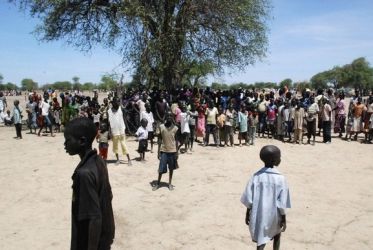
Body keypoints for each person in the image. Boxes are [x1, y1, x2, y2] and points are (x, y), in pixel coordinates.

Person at [64, 117, 115, 250]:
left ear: (81, 141)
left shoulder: (84, 174)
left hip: (89, 242)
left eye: (68, 140)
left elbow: (94, 218)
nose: (65, 144)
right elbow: (108, 196)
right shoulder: (99, 161)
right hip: (103, 239)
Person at [241, 145, 291, 250]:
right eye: (279, 157)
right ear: (274, 160)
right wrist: (284, 217)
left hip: (259, 214)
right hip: (274, 215)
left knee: (261, 238)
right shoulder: (281, 179)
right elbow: (281, 203)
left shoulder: (256, 177)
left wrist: (247, 213)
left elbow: (249, 198)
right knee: (277, 234)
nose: (280, 159)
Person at [153, 115, 178, 191]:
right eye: (168, 116)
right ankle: (158, 183)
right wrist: (158, 152)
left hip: (172, 151)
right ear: (165, 118)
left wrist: (177, 152)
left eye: (171, 116)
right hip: (163, 150)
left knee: (171, 168)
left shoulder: (175, 128)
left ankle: (169, 183)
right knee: (161, 169)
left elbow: (176, 141)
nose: (169, 117)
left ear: (172, 118)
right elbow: (160, 140)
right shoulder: (161, 127)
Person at [108, 99, 132, 166]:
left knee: (123, 144)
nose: (118, 103)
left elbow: (124, 119)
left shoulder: (121, 109)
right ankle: (118, 159)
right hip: (114, 130)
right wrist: (109, 131)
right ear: (113, 103)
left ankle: (129, 159)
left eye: (119, 102)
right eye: (117, 102)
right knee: (115, 146)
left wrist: (127, 129)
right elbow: (109, 122)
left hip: (121, 130)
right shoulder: (109, 111)